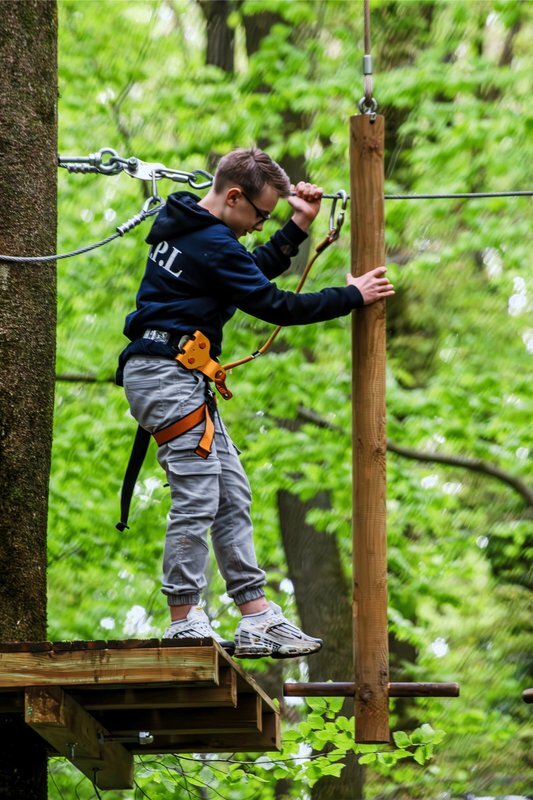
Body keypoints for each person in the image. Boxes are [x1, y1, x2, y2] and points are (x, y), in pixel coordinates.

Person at [116, 147, 394, 658]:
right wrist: (352, 295)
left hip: (178, 375)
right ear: (235, 196)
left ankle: (256, 614)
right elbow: (272, 304)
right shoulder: (210, 242)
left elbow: (246, 271)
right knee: (199, 494)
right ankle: (183, 618)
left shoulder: (191, 229)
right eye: (261, 216)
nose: (260, 227)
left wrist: (297, 227)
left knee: (231, 492)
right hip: (166, 374)